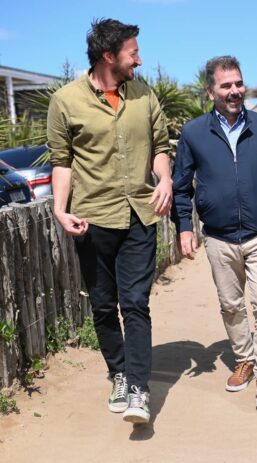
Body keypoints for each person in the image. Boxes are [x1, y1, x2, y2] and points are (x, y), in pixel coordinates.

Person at [47, 18, 172, 424]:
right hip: (92, 218)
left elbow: (160, 146)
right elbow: (62, 161)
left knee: (135, 302)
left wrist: (165, 178)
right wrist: (59, 209)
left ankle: (138, 389)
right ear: (108, 56)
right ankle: (118, 372)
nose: (139, 60)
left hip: (139, 215)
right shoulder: (65, 101)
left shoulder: (144, 95)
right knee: (103, 305)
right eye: (133, 53)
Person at [171, 56, 257, 411]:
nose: (235, 91)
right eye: (226, 85)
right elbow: (181, 186)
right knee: (231, 305)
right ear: (210, 91)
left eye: (238, 83)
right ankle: (244, 358)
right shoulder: (193, 133)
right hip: (219, 236)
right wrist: (184, 227)